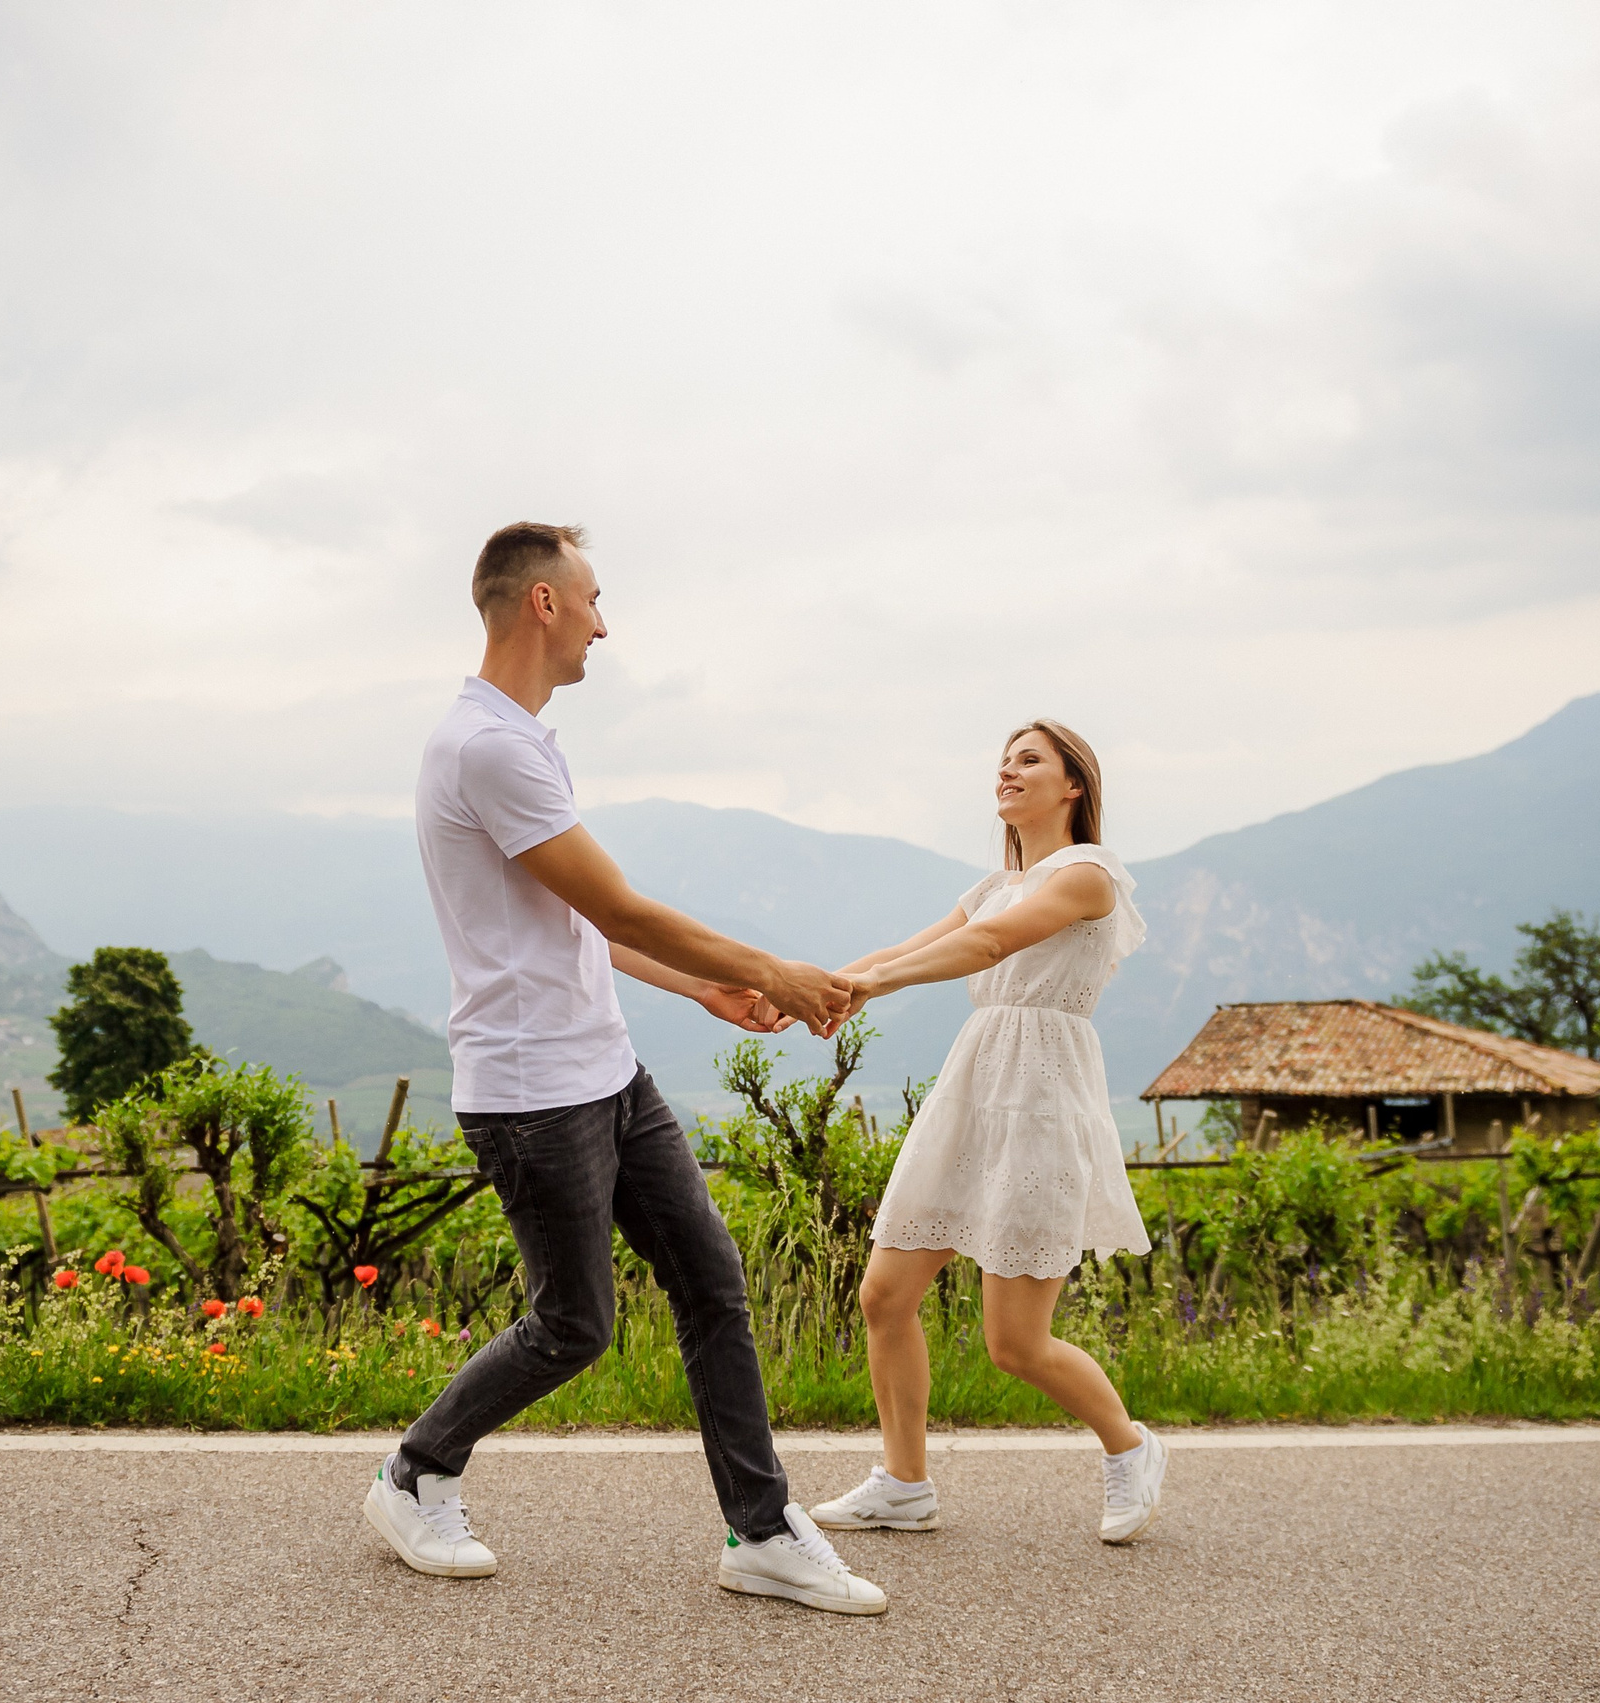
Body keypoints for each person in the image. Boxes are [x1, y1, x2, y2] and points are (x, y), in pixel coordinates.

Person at [362, 521, 889, 1615]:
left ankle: (760, 1531)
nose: (606, 621)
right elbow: (617, 902)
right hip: (529, 1091)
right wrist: (775, 974)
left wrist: (694, 987)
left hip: (605, 1070)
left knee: (711, 1281)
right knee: (574, 1325)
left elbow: (570, 919)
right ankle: (415, 1474)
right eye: (594, 598)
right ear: (541, 605)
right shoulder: (488, 746)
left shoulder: (519, 738)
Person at [807, 719, 1168, 1544]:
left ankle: (1131, 1447)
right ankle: (903, 1484)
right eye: (1002, 762)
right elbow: (920, 943)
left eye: (1029, 760)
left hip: (1042, 1094)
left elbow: (989, 944)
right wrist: (814, 989)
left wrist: (868, 985)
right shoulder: (993, 882)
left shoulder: (1089, 875)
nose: (1007, 772)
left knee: (1015, 1342)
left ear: (1073, 784)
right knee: (884, 1295)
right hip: (975, 1085)